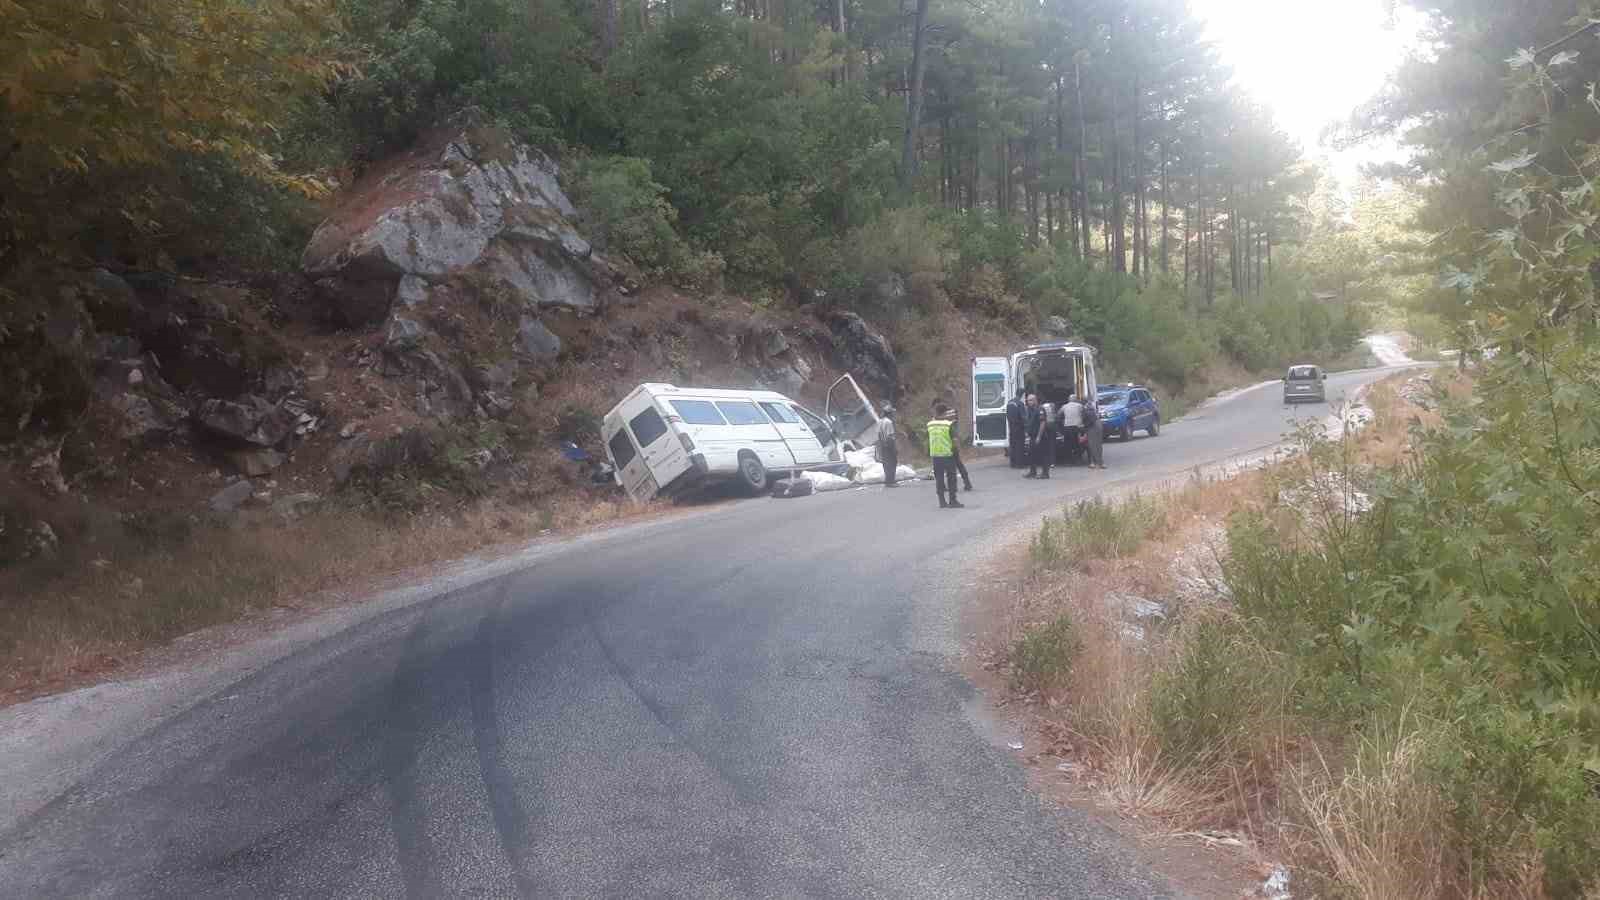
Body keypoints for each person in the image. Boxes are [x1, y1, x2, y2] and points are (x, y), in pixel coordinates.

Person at [926, 408, 963, 508]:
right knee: (951, 478)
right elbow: (954, 440)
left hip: (935, 456)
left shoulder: (930, 424)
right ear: (944, 413)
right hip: (947, 455)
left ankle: (942, 502)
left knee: (939, 478)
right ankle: (953, 501)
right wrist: (956, 450)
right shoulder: (948, 424)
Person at [938, 403, 974, 491]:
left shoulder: (941, 419)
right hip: (952, 445)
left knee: (943, 467)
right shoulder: (952, 414)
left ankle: (945, 487)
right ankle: (967, 483)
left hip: (945, 446)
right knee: (959, 464)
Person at [1024, 393, 1053, 479]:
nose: (1029, 402)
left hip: (1040, 436)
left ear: (1035, 400)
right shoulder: (1030, 410)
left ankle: (1045, 473)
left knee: (1043, 455)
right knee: (1031, 454)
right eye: (1028, 400)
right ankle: (1033, 472)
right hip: (1032, 436)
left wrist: (1039, 437)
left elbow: (1042, 423)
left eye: (1031, 400)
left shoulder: (1040, 409)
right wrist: (1027, 433)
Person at [877, 404, 900, 487]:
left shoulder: (880, 421)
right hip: (889, 444)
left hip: (883, 444)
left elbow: (879, 434)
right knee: (893, 462)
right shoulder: (889, 422)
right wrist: (894, 448)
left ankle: (888, 480)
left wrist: (882, 444)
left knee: (886, 463)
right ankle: (891, 481)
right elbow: (890, 436)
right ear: (889, 413)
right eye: (892, 413)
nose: (893, 415)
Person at [1005, 388, 1027, 468]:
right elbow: (1023, 417)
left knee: (1013, 445)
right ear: (1022, 394)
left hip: (1011, 427)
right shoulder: (1020, 404)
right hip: (1019, 428)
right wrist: (1026, 425)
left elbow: (1007, 415)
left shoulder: (1009, 402)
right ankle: (1019, 464)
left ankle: (1013, 463)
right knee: (1020, 446)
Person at [1060, 394, 1085, 464]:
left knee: (1068, 444)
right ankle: (1078, 458)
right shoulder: (1080, 406)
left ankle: (1068, 459)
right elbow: (1084, 414)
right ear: (1076, 399)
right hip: (1077, 427)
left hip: (1067, 427)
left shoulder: (1064, 406)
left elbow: (1059, 415)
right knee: (1077, 443)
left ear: (1069, 399)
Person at [1084, 396, 1106, 469]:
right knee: (1098, 445)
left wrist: (1084, 427)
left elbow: (1089, 420)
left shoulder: (1086, 408)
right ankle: (1100, 462)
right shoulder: (1093, 406)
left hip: (1092, 427)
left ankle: (1096, 463)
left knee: (1092, 445)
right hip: (1098, 425)